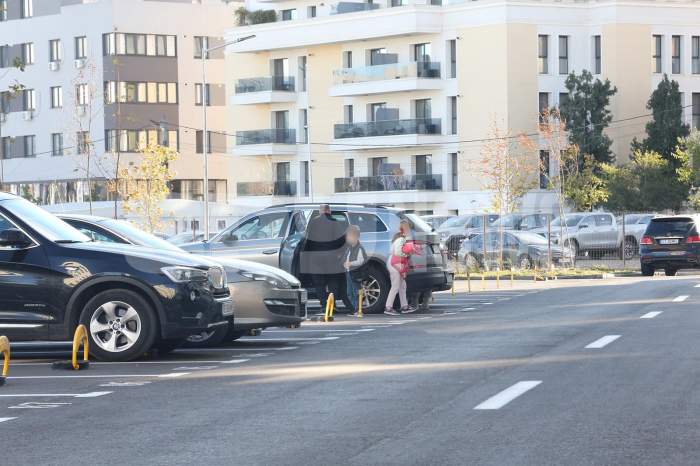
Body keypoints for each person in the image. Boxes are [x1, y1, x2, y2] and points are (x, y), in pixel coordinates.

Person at [299, 204, 348, 310]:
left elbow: (308, 240)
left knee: (319, 283)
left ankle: (323, 305)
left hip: (316, 257)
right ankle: (332, 305)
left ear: (320, 211)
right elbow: (342, 240)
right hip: (332, 257)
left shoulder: (313, 222)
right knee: (333, 282)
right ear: (329, 211)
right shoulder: (335, 222)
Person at [385, 219, 418, 315]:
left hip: (395, 263)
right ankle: (388, 307)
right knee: (396, 286)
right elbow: (398, 252)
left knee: (402, 286)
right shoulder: (401, 239)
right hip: (395, 263)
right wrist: (407, 254)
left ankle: (404, 306)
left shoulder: (400, 238)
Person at [343, 225, 367, 315]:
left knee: (356, 291)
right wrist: (344, 263)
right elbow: (346, 257)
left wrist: (350, 263)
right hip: (349, 272)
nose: (347, 238)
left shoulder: (359, 248)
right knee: (349, 292)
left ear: (355, 236)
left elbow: (361, 261)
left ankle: (358, 309)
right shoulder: (349, 248)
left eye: (349, 236)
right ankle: (354, 309)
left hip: (355, 273)